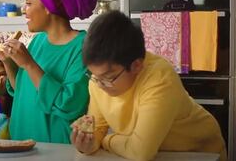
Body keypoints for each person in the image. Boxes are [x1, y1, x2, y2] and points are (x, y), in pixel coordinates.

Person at [71, 11, 227, 161]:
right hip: (158, 154)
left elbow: (141, 151)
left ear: (136, 66)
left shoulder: (159, 78)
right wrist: (88, 145)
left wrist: (106, 141)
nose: (100, 85)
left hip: (198, 152)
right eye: (95, 76)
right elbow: (98, 130)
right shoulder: (99, 81)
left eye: (108, 78)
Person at [0, 0, 97, 143]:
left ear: (49, 6)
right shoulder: (38, 41)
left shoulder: (84, 47)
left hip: (55, 150)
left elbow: (70, 104)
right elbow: (23, 90)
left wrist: (29, 64)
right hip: (21, 145)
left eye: (29, 3)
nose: (24, 9)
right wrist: (8, 62)